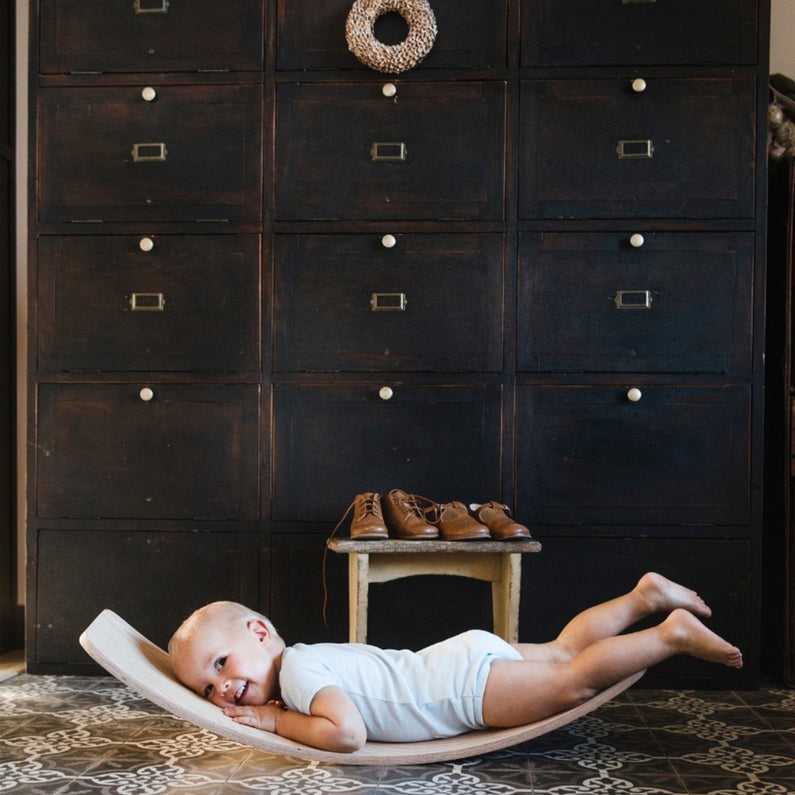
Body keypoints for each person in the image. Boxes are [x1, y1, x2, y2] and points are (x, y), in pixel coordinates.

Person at [168, 572, 742, 753]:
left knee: (572, 680)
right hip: (457, 659)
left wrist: (274, 721)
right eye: (207, 687)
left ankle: (670, 634)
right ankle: (644, 597)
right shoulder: (304, 661)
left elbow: (346, 734)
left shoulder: (296, 675)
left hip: (460, 690)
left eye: (220, 663)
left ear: (261, 632)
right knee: (565, 649)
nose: (221, 688)